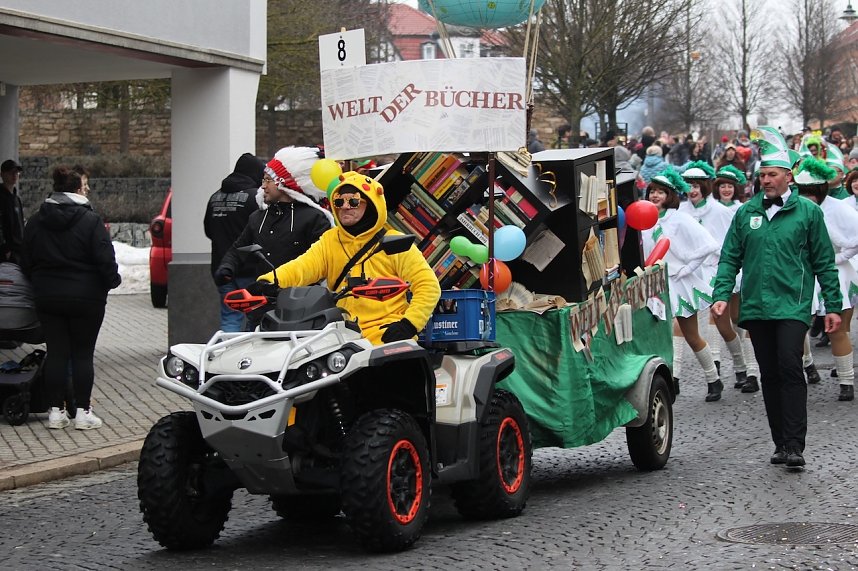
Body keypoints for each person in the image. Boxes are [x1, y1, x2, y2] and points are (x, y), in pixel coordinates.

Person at [712, 127, 842, 468]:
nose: (766, 180)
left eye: (772, 175)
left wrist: (832, 305)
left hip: (793, 303)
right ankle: (780, 443)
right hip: (756, 305)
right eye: (762, 175)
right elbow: (729, 258)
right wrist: (721, 294)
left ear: (788, 177)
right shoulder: (746, 213)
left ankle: (796, 445)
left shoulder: (808, 214)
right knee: (769, 373)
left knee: (789, 366)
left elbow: (824, 262)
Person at [253, 170, 441, 345]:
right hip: (340, 334)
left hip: (386, 334)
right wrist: (271, 280)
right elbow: (303, 266)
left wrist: (408, 324)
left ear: (371, 204)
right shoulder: (330, 240)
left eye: (353, 201)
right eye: (338, 202)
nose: (345, 207)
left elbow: (428, 286)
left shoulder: (394, 241)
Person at [21, 165, 121, 430]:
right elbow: (105, 258)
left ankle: (55, 412)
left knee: (56, 353)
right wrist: (112, 282)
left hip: (48, 296)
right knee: (82, 355)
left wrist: (40, 281)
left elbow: (25, 257)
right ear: (78, 189)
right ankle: (82, 412)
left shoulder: (35, 220)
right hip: (86, 299)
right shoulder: (91, 221)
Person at [215, 147, 332, 330]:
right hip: (261, 309)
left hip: (301, 311)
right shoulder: (257, 217)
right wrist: (227, 267)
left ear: (284, 183)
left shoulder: (314, 218)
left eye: (268, 180)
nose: (262, 186)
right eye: (263, 180)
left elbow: (325, 260)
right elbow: (239, 247)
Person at [640, 167, 722, 401]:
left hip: (678, 283)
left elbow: (708, 245)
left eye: (661, 192)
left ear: (670, 195)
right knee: (658, 338)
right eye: (652, 191)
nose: (655, 196)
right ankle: (668, 383)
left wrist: (687, 269)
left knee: (692, 335)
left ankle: (713, 379)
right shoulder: (644, 219)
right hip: (653, 285)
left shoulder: (680, 218)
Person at [679, 161, 757, 393]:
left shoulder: (721, 212)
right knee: (715, 323)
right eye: (688, 186)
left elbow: (732, 245)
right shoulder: (681, 212)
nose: (692, 190)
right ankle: (737, 367)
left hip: (721, 272)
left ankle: (745, 367)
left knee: (733, 322)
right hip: (692, 275)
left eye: (696, 185)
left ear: (704, 186)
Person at [792, 157, 858, 401]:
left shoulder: (838, 209)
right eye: (803, 191)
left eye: (812, 191)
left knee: (838, 330)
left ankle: (846, 381)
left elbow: (854, 238)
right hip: (804, 276)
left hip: (836, 275)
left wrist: (837, 259)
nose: (807, 196)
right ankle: (801, 372)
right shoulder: (794, 208)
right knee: (796, 328)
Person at [204, 152, 264, 332]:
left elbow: (208, 230)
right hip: (249, 268)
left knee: (230, 317)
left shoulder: (215, 197)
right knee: (254, 318)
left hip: (222, 268)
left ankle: (225, 353)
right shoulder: (255, 198)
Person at [0, 159, 26, 264]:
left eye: (16, 172)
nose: (14, 175)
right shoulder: (1, 197)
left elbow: (20, 223)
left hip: (18, 250)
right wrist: (5, 248)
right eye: (11, 172)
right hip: (6, 252)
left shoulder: (16, 198)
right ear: (2, 174)